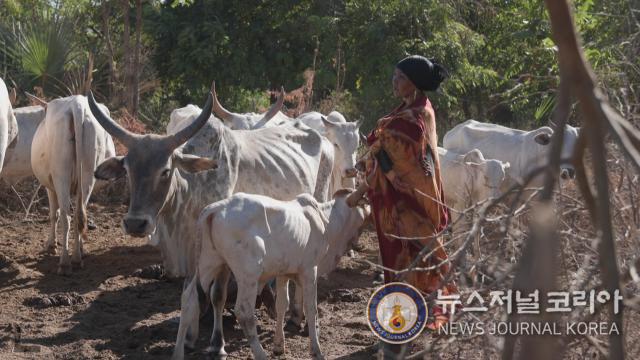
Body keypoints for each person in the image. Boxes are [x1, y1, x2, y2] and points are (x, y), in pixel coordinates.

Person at [347, 55, 458, 333]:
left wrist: (375, 158)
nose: (394, 82)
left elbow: (396, 151)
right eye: (394, 76)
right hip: (398, 204)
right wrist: (378, 150)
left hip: (411, 204)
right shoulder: (409, 108)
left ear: (415, 84)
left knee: (409, 261)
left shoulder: (416, 115)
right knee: (402, 262)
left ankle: (413, 323)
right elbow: (383, 142)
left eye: (401, 78)